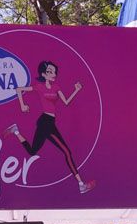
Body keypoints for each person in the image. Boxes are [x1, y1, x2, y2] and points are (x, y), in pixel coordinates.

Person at [6, 60, 93, 193]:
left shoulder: (56, 87)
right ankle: (81, 184)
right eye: (49, 72)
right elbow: (19, 89)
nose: (53, 74)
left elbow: (66, 102)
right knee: (67, 152)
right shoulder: (39, 87)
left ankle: (16, 131)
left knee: (32, 151)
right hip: (45, 122)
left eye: (54, 72)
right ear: (43, 74)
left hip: (49, 122)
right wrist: (22, 105)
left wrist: (76, 90)